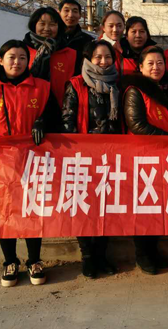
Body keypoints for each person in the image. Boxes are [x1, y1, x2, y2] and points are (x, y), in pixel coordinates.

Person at [0, 40, 59, 287]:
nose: (17, 62)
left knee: (32, 208)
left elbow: (54, 115)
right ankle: (10, 261)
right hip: (0, 159)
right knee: (4, 209)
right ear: (0, 60)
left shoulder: (41, 87)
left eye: (22, 57)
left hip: (33, 156)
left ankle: (34, 260)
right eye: (11, 57)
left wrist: (42, 123)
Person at [61, 40, 120, 278]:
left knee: (107, 207)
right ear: (88, 59)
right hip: (83, 157)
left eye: (108, 57)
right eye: (98, 57)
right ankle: (87, 256)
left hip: (113, 156)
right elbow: (67, 120)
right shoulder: (76, 84)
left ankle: (101, 255)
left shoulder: (118, 83)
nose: (103, 62)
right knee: (84, 207)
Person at [122, 46, 168, 274]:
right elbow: (136, 124)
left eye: (160, 63)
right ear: (140, 67)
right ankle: (143, 255)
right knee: (143, 207)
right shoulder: (135, 90)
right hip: (142, 156)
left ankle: (153, 251)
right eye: (150, 63)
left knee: (157, 207)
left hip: (163, 156)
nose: (156, 67)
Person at [23, 6, 78, 108]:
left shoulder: (70, 54)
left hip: (58, 111)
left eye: (52, 24)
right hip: (25, 109)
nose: (47, 29)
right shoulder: (22, 51)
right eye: (42, 24)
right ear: (34, 25)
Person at [58, 0, 94, 71]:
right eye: (66, 10)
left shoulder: (88, 41)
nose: (70, 15)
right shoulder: (51, 38)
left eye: (75, 11)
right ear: (59, 13)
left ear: (80, 15)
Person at [99, 10, 130, 77]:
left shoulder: (129, 46)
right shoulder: (96, 48)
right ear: (103, 28)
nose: (115, 30)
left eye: (119, 26)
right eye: (111, 26)